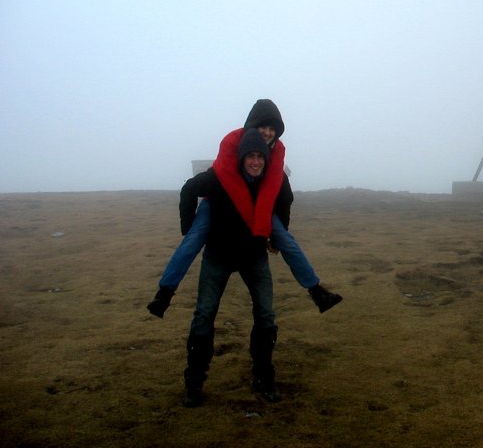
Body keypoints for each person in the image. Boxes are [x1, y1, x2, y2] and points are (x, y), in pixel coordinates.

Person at [147, 99, 342, 317]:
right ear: (252, 125)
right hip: (218, 199)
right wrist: (188, 226)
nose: (267, 132)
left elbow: (282, 196)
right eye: (263, 126)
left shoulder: (276, 152)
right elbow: (202, 186)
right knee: (194, 238)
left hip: (258, 205)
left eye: (272, 129)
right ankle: (164, 294)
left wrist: (276, 233)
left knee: (286, 240)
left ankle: (317, 292)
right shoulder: (232, 143)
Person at [180, 128, 283, 407]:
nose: (256, 162)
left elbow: (284, 199)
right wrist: (189, 231)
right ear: (241, 158)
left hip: (254, 256)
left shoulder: (270, 179)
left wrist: (276, 236)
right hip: (219, 256)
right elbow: (189, 189)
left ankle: (263, 377)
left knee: (266, 315)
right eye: (250, 156)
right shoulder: (219, 178)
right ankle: (194, 382)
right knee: (204, 314)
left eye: (260, 157)